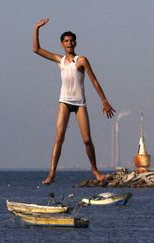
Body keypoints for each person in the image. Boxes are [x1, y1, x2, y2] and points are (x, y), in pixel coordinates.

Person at [32, 18, 115, 185]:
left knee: (86, 139)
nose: (69, 43)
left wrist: (104, 100)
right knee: (59, 138)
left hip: (79, 104)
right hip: (64, 102)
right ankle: (52, 174)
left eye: (72, 40)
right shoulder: (60, 60)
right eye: (66, 41)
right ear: (62, 44)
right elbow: (36, 49)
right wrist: (36, 28)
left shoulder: (81, 60)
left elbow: (94, 81)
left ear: (75, 43)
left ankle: (95, 170)